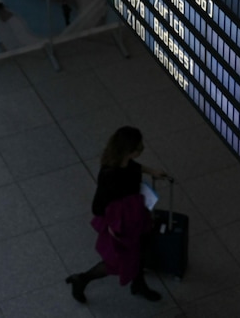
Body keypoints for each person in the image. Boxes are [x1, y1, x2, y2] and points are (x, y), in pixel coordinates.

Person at [65, 126, 167, 304]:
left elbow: (135, 168)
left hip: (134, 217)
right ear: (129, 152)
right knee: (117, 261)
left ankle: (138, 284)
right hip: (121, 224)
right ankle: (81, 279)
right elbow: (98, 207)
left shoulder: (125, 163)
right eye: (138, 148)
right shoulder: (110, 176)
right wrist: (119, 214)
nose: (141, 149)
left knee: (140, 250)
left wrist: (152, 172)